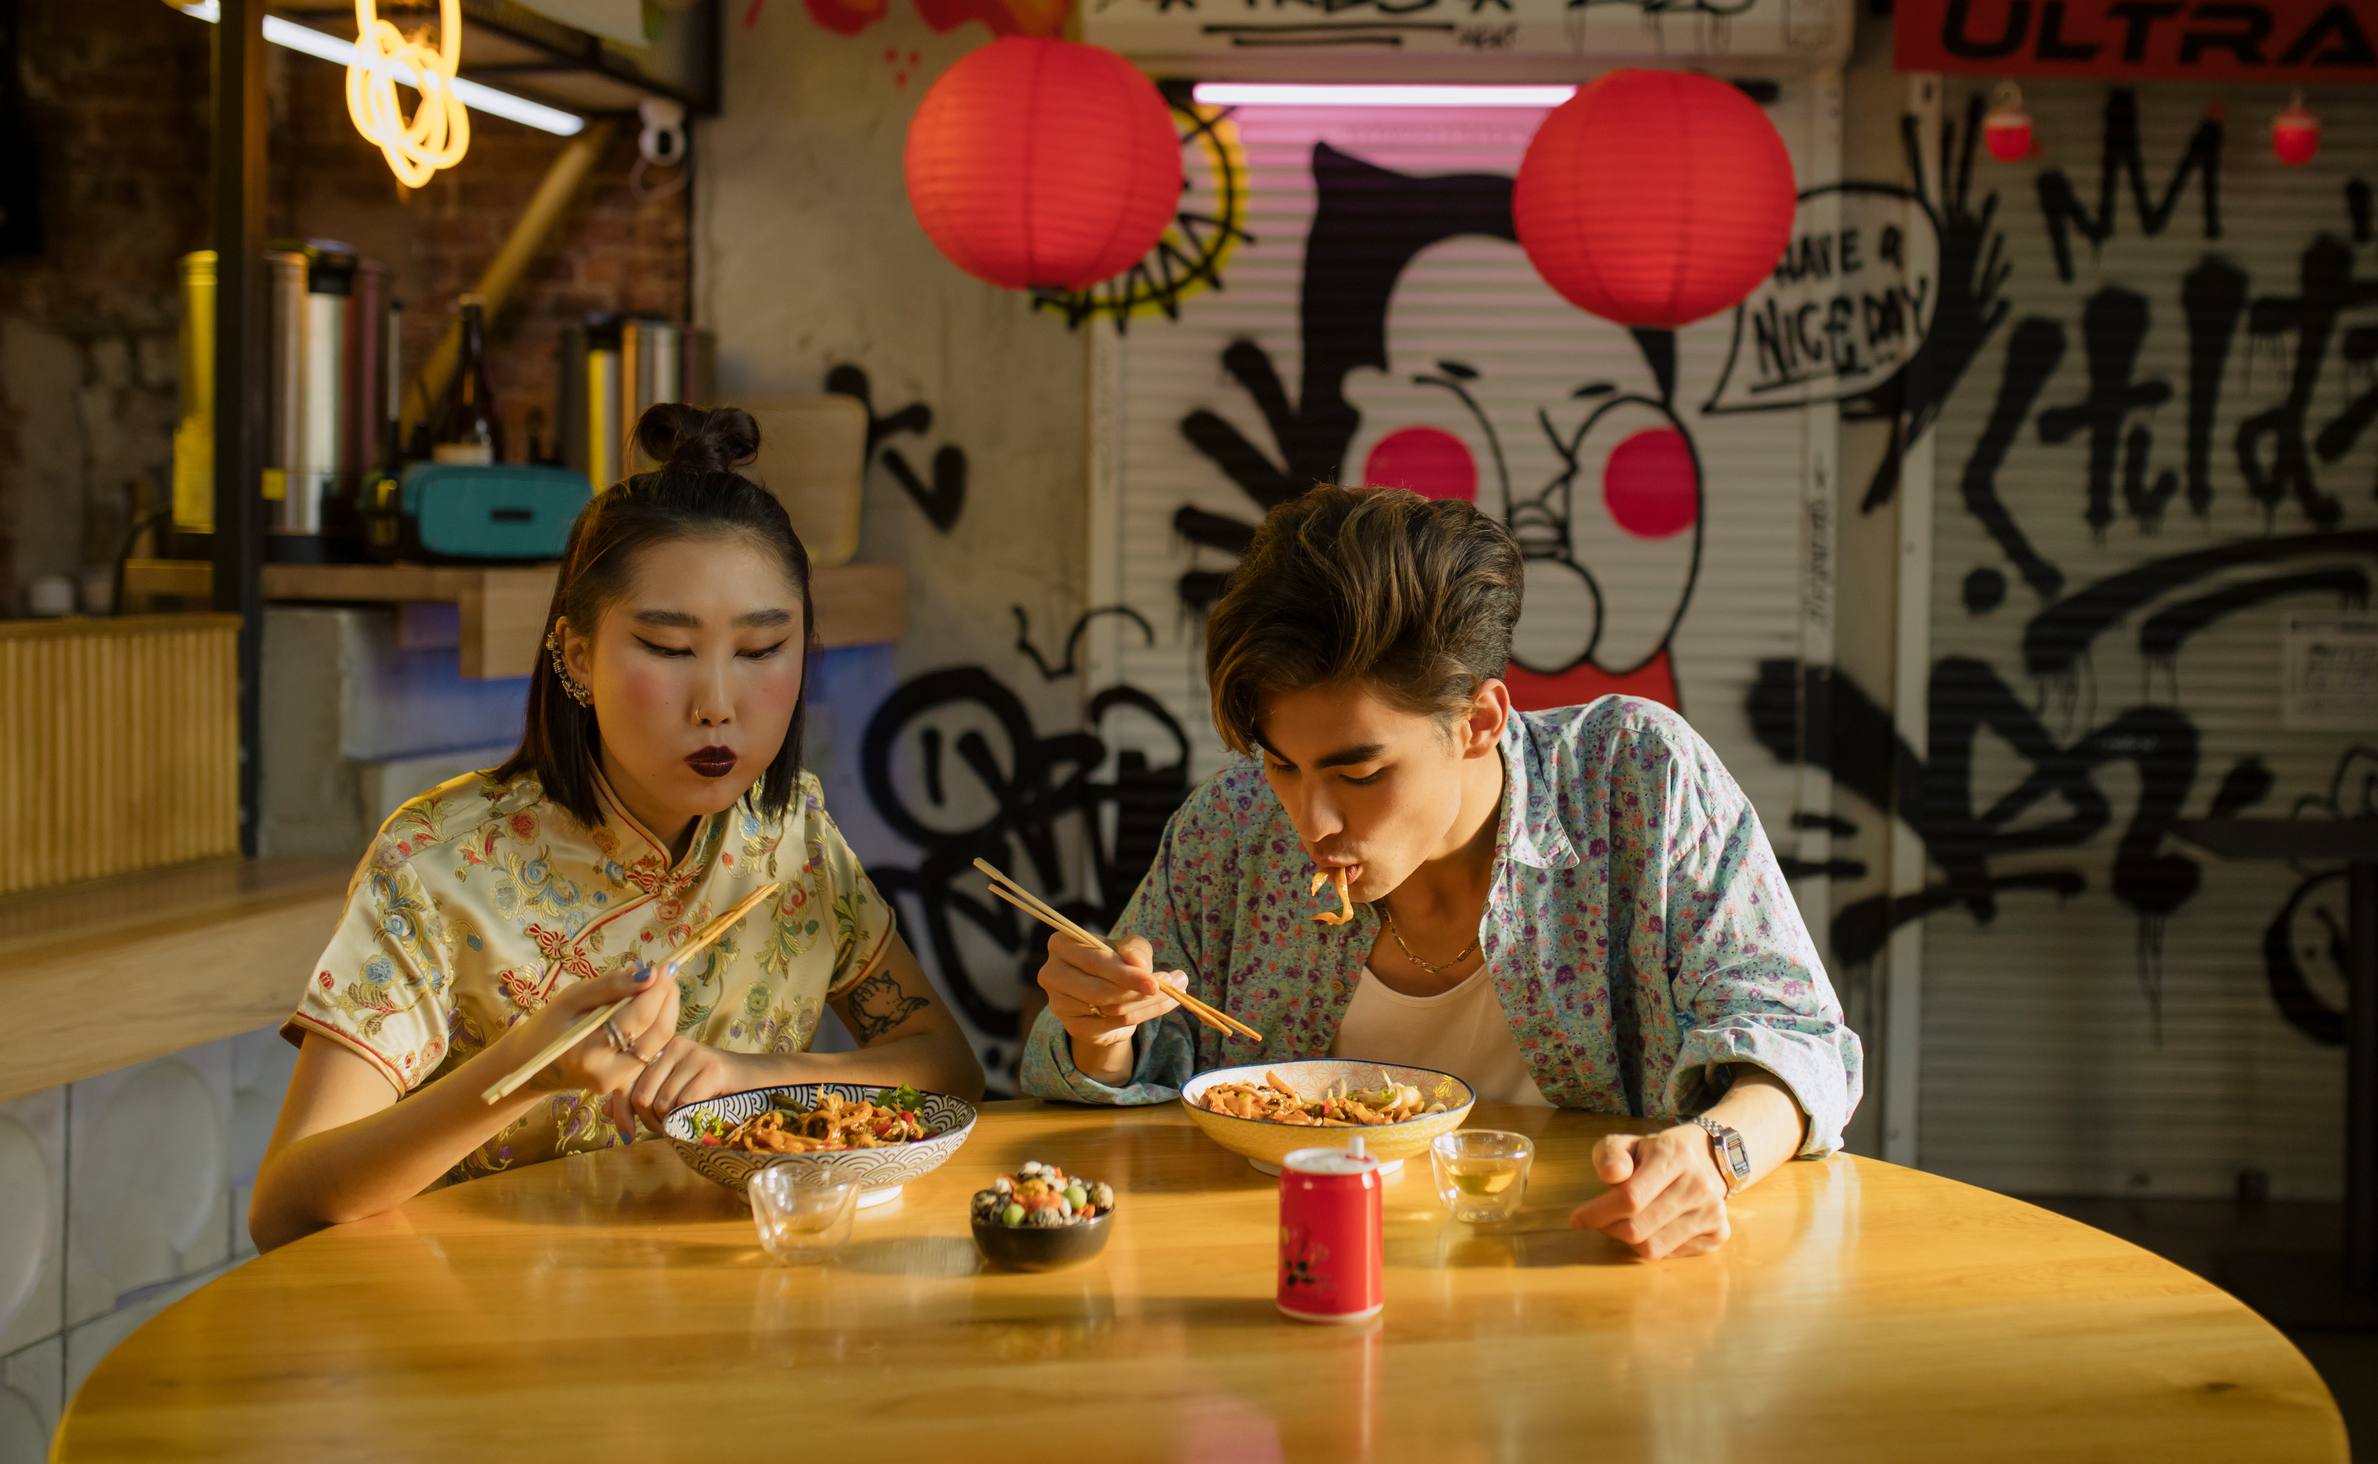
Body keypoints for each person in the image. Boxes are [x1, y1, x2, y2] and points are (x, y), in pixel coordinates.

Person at [1023, 485, 1860, 1261]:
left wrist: (1715, 1153)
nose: (1309, 819)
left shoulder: (1635, 777)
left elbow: (1796, 1039)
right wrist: (1103, 1034)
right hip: (1293, 1278)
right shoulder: (1231, 826)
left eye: (1358, 775)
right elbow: (1141, 1079)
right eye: (1282, 764)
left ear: (1479, 721)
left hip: (1586, 1271)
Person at [250, 406, 981, 1251]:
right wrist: (530, 1066)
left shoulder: (790, 838)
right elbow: (286, 1206)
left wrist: (755, 1078)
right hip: (485, 1336)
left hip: (736, 1307)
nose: (717, 704)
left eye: (761, 650)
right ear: (576, 656)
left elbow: (946, 1070)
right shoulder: (437, 865)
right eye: (668, 651)